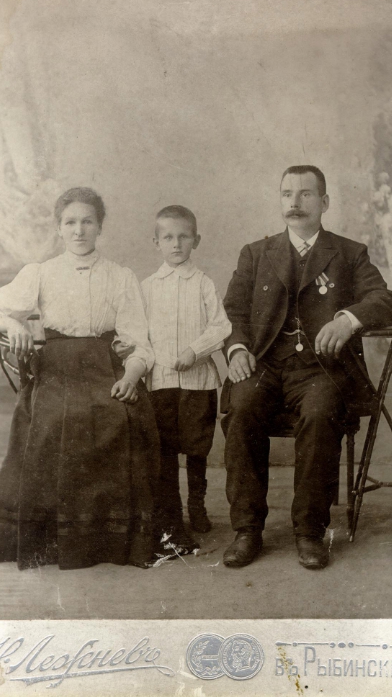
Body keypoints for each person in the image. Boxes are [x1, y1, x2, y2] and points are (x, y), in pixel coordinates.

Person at [0, 187, 160, 570]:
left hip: (106, 368)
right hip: (55, 371)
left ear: (100, 226)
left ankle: (111, 538)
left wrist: (132, 375)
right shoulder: (40, 274)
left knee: (124, 415)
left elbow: (140, 342)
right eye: (70, 222)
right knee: (53, 420)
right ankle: (50, 537)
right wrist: (10, 323)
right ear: (59, 228)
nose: (79, 230)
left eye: (87, 221)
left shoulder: (120, 277)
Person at [221, 166, 392, 570]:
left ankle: (310, 531)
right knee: (242, 407)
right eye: (287, 194)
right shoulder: (256, 253)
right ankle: (247, 529)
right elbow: (233, 310)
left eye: (305, 194)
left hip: (321, 368)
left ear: (324, 202)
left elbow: (385, 301)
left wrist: (347, 320)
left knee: (320, 414)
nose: (295, 203)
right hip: (265, 364)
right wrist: (237, 350)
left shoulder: (349, 253)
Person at [141, 205, 231, 554]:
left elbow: (221, 326)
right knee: (165, 451)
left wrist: (195, 351)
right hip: (161, 382)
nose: (176, 244)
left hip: (198, 383)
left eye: (183, 237)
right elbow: (137, 332)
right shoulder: (147, 288)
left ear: (196, 240)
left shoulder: (203, 284)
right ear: (156, 242)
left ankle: (197, 506)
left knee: (196, 449)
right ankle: (172, 512)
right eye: (168, 238)